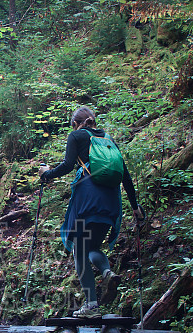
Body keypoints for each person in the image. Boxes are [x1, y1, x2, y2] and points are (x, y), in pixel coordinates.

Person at [38, 106, 144, 318]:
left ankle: (91, 304)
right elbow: (126, 176)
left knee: (79, 248)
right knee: (93, 246)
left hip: (87, 199)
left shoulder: (76, 136)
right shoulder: (108, 140)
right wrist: (134, 206)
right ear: (93, 121)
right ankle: (107, 272)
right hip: (111, 201)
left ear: (76, 124)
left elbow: (68, 165)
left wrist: (46, 174)